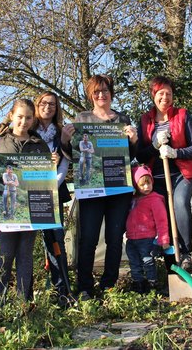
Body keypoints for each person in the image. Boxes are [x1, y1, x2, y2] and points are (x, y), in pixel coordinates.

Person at [61, 74, 138, 299]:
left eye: (105, 90)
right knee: (89, 238)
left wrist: (133, 141)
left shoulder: (122, 119)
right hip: (92, 188)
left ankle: (108, 285)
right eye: (97, 92)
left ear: (111, 93)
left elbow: (129, 156)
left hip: (118, 188)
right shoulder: (82, 118)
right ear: (91, 95)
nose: (101, 95)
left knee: (115, 238)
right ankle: (85, 286)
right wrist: (65, 139)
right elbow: (71, 154)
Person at [0, 99, 53, 300]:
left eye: (29, 117)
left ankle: (22, 301)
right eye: (20, 117)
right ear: (11, 116)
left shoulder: (40, 145)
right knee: (6, 254)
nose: (24, 122)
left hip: (32, 209)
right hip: (6, 211)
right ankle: (0, 299)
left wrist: (51, 165)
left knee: (25, 255)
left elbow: (47, 180)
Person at [136, 76, 192, 269]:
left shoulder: (182, 115)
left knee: (179, 205)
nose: (165, 97)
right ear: (154, 95)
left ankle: (186, 253)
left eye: (169, 93)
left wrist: (175, 152)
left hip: (181, 174)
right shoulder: (145, 120)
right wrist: (154, 146)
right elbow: (140, 155)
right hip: (155, 177)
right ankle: (171, 262)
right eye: (161, 93)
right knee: (162, 215)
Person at [34, 91, 73, 303]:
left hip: (54, 192)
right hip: (29, 193)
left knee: (55, 239)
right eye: (44, 103)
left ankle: (63, 289)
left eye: (52, 104)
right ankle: (32, 290)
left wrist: (51, 185)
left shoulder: (61, 133)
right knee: (30, 241)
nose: (48, 107)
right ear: (37, 105)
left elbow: (66, 161)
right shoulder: (28, 130)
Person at [126, 165, 170, 294]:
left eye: (148, 183)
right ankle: (138, 284)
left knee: (148, 261)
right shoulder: (133, 200)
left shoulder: (155, 200)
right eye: (142, 184)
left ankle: (152, 284)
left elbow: (161, 221)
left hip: (147, 238)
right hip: (131, 238)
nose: (146, 187)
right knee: (134, 263)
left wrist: (164, 239)